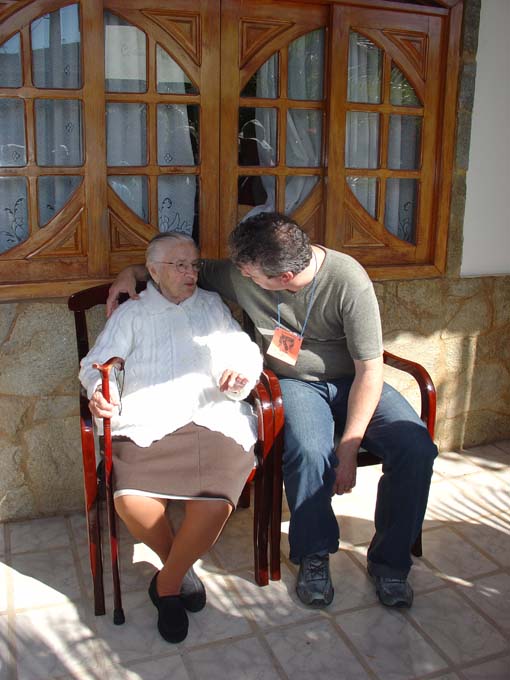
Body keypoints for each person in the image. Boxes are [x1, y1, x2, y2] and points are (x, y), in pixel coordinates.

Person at [107, 213, 438, 610]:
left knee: (416, 448)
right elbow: (173, 268)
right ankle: (314, 555)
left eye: (251, 275)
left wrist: (349, 448)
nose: (242, 277)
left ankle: (391, 564)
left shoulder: (348, 281)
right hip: (296, 382)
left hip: (355, 380)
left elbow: (370, 370)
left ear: (283, 278)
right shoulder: (247, 271)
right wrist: (129, 273)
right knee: (309, 451)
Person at [80, 232, 262, 643]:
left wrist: (240, 374)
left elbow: (244, 349)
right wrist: (99, 391)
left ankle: (167, 584)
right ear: (154, 272)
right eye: (179, 266)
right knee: (133, 502)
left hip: (212, 417)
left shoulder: (211, 306)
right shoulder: (133, 313)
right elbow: (97, 364)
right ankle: (180, 567)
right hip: (147, 422)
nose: (190, 273)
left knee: (213, 504)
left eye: (193, 265)